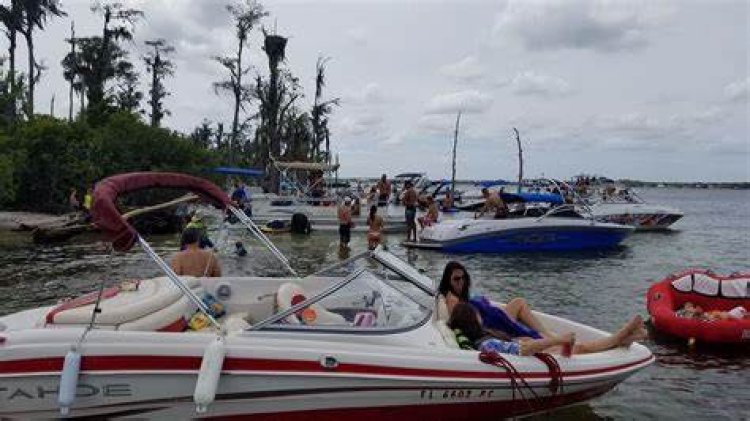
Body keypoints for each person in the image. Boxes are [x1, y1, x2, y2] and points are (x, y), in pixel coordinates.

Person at [449, 302, 646, 356]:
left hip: (535, 352)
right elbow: (522, 351)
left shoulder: (484, 337)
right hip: (535, 358)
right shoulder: (486, 343)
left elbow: (516, 346)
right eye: (476, 314)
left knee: (583, 347)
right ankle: (623, 334)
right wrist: (558, 340)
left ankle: (626, 338)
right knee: (582, 348)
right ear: (471, 320)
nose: (479, 315)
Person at [437, 261, 554, 339]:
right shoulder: (453, 300)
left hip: (494, 320)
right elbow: (464, 324)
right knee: (519, 308)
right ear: (448, 281)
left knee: (519, 302)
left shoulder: (460, 295)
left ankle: (546, 334)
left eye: (464, 277)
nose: (461, 282)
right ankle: (546, 337)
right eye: (456, 279)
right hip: (491, 327)